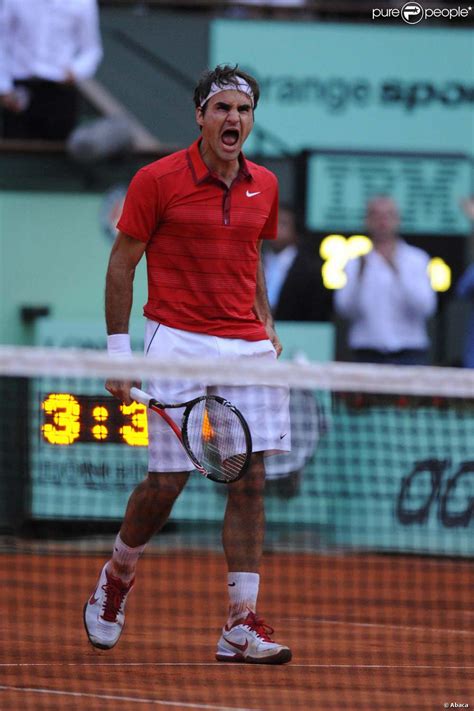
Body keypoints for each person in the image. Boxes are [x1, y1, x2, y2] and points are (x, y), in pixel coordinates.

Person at [83, 64, 292, 665]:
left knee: (250, 481)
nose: (233, 120)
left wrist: (265, 321)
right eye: (222, 109)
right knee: (167, 483)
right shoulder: (155, 179)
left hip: (246, 346)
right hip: (175, 339)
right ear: (200, 116)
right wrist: (118, 353)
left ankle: (239, 624)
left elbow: (249, 254)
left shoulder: (266, 185)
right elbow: (122, 264)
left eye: (243, 111)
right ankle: (118, 575)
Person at [334, 196, 436, 365]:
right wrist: (360, 277)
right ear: (367, 221)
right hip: (367, 352)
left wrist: (398, 271)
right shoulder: (355, 263)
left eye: (388, 215)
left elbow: (426, 307)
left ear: (398, 220)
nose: (382, 221)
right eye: (376, 215)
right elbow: (344, 310)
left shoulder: (417, 259)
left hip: (410, 353)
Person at [0, 0, 102, 140]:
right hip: (19, 90)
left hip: (60, 90)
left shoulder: (83, 3)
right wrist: (4, 87)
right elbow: (2, 42)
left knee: (55, 154)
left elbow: (91, 49)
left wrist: (76, 71)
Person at [263, 205, 332, 321]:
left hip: (297, 333)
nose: (275, 228)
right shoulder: (253, 261)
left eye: (283, 223)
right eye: (272, 222)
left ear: (295, 231)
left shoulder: (310, 268)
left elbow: (317, 310)